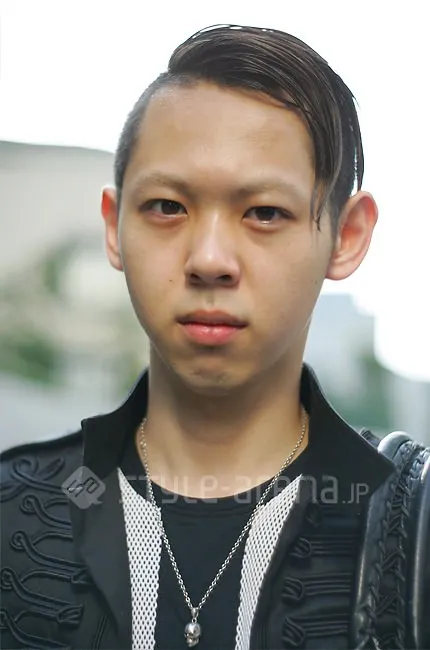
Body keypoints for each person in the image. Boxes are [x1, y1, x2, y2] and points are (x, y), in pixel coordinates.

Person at [1, 23, 429, 650]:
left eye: (265, 213)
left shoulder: (410, 524)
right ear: (115, 228)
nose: (208, 259)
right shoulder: (14, 511)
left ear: (346, 236)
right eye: (167, 207)